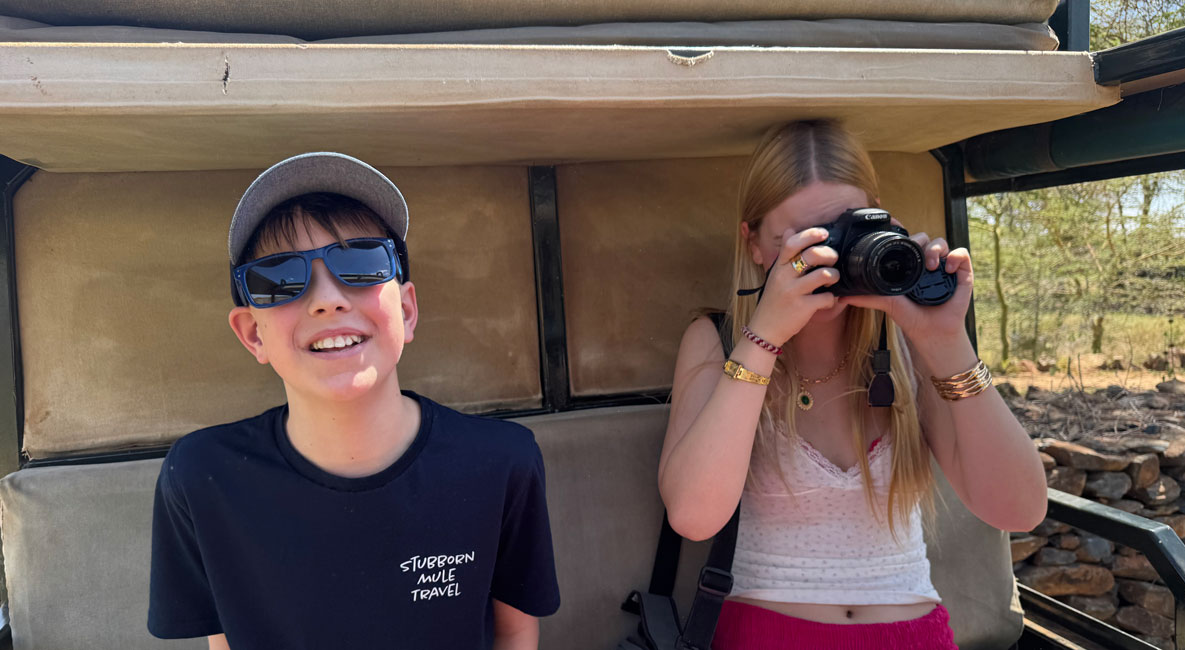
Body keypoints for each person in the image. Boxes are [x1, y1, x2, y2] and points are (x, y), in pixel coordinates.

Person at [657, 121, 1047, 650]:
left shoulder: (910, 345)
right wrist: (764, 337)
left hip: (914, 633)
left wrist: (945, 341)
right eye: (803, 246)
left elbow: (1019, 510)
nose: (828, 264)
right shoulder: (718, 342)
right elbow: (693, 517)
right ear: (752, 244)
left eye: (843, 237)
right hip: (769, 633)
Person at [147, 152, 560, 650]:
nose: (328, 298)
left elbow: (516, 633)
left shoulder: (502, 462)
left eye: (360, 261)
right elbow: (225, 640)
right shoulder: (200, 476)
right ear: (251, 333)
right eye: (279, 278)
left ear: (406, 309)